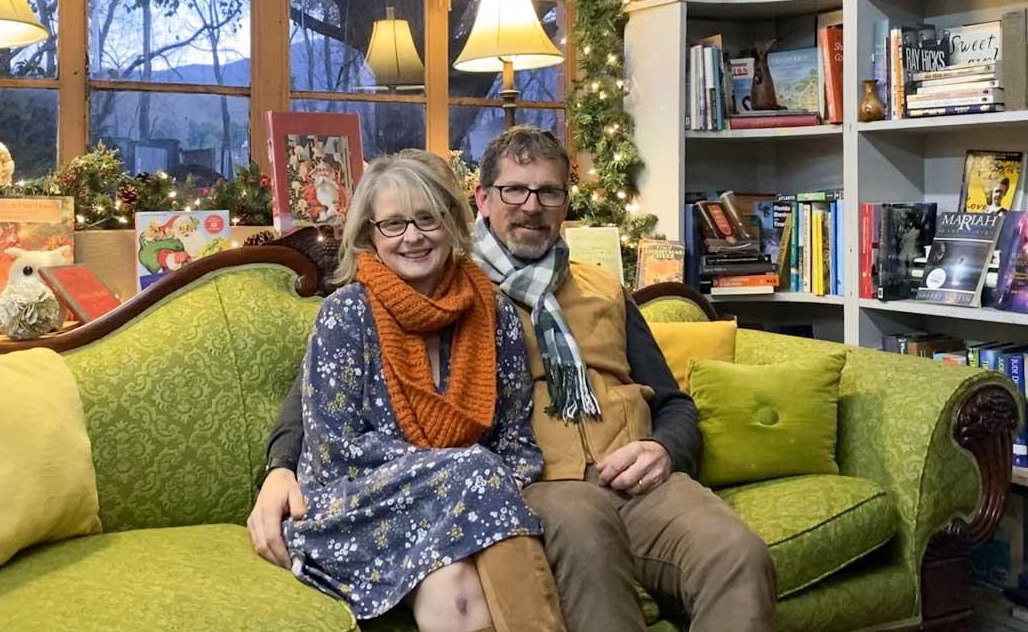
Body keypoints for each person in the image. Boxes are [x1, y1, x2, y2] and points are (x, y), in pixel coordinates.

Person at [252, 128, 776, 631]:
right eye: (515, 190)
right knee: (586, 539)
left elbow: (673, 402)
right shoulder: (446, 282)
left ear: (566, 203)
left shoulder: (600, 287)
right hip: (548, 484)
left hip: (638, 478)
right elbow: (321, 396)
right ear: (480, 200)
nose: (531, 205)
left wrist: (663, 449)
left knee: (739, 556)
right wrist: (280, 468)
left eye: (549, 192)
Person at [268, 150, 565, 632]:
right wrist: (455, 472)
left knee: (461, 596)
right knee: (472, 469)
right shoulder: (346, 315)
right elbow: (334, 457)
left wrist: (467, 485)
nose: (413, 237)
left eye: (428, 218)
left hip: (467, 504)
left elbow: (516, 443)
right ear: (369, 235)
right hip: (355, 509)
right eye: (393, 224)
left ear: (452, 222)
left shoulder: (495, 314)